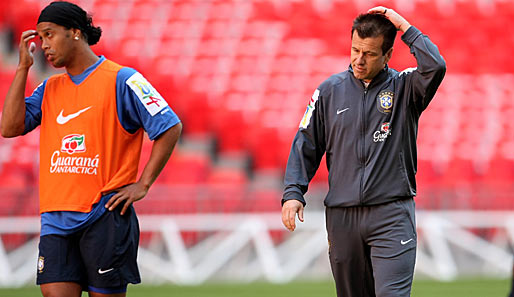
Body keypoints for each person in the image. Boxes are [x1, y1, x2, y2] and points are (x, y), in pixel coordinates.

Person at [0, 1, 182, 296]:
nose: (44, 45)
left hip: (104, 216)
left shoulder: (124, 79)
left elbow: (170, 126)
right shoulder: (49, 88)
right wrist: (22, 68)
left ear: (74, 32)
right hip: (56, 217)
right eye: (41, 38)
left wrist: (142, 184)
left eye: (49, 34)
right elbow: (9, 128)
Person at [281, 6, 446, 297]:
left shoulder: (405, 88)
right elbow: (305, 143)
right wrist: (293, 192)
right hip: (342, 217)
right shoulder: (329, 91)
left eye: (369, 53)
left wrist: (404, 26)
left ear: (387, 55)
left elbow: (435, 66)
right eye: (355, 49)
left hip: (391, 214)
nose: (359, 59)